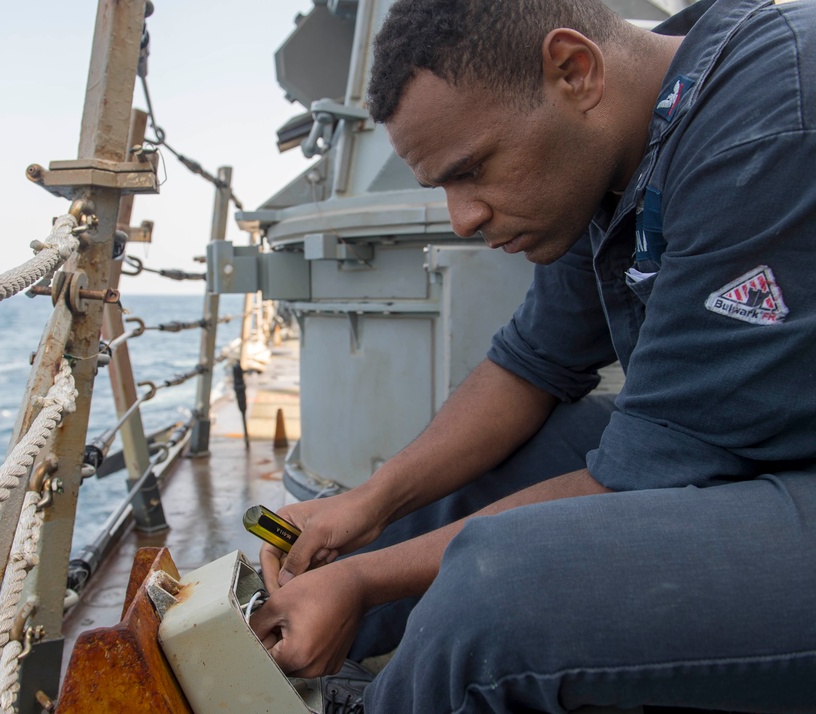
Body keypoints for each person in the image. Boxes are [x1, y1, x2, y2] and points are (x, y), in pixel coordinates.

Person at [250, 0, 816, 711]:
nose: (463, 218)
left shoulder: (768, 123)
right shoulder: (620, 148)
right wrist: (368, 503)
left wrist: (366, 580)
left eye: (473, 169)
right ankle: (269, 657)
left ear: (574, 71)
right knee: (512, 462)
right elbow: (531, 365)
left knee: (499, 590)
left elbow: (650, 469)